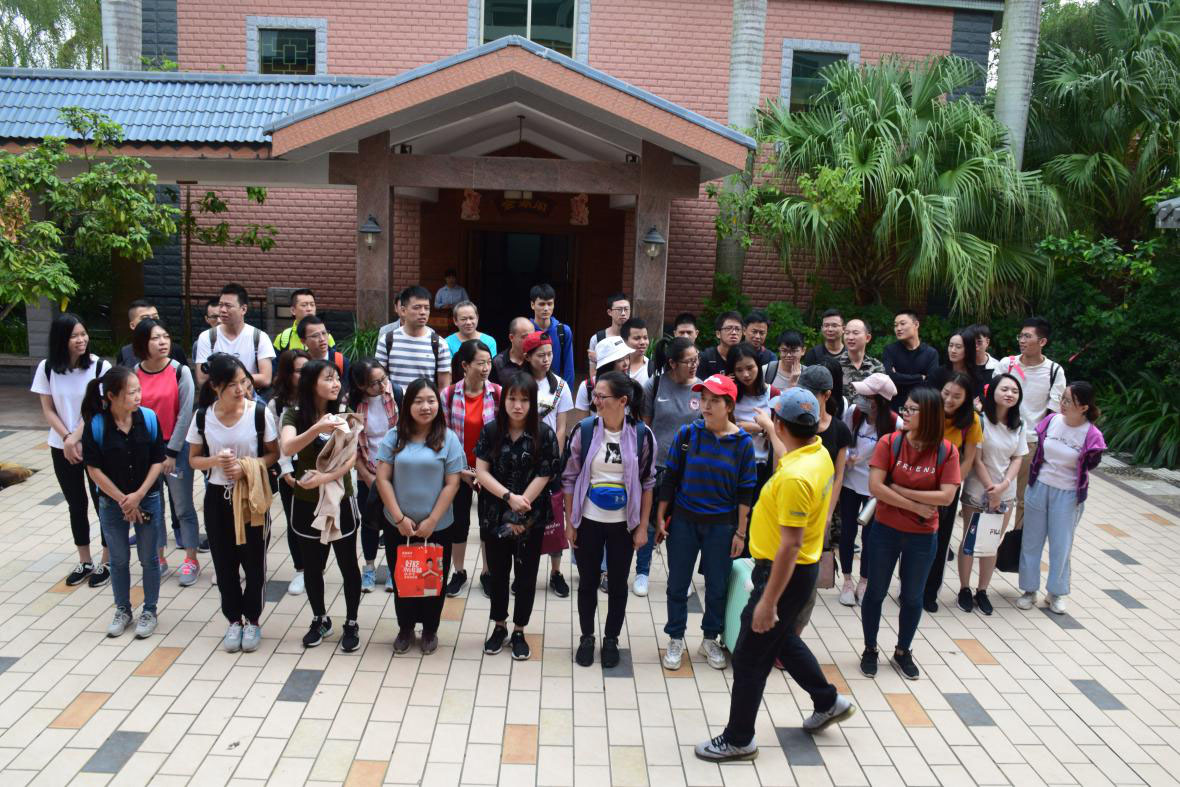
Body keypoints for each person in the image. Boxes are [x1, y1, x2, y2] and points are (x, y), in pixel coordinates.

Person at [694, 388, 855, 763]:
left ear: (783, 424)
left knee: (749, 658)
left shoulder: (796, 479)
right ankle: (827, 701)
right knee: (780, 640)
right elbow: (788, 457)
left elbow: (790, 546)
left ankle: (739, 739)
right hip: (798, 573)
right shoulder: (816, 453)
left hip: (783, 575)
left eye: (774, 419)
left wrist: (768, 602)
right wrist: (770, 428)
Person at [860, 386, 960, 681]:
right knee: (875, 593)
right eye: (905, 407)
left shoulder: (947, 451)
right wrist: (915, 505)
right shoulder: (890, 442)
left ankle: (903, 651)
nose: (904, 413)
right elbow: (876, 487)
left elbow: (946, 497)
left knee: (913, 597)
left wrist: (898, 489)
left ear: (929, 415)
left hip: (923, 536)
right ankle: (870, 648)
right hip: (885, 530)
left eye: (912, 409)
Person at [657, 374, 755, 671]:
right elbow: (671, 477)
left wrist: (741, 532)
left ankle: (710, 638)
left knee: (717, 586)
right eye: (703, 399)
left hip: (722, 527)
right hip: (684, 522)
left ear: (729, 405)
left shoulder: (743, 443)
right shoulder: (688, 434)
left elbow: (746, 491)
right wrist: (660, 516)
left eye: (714, 401)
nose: (706, 406)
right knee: (677, 584)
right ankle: (675, 638)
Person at [562, 372, 657, 668]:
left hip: (623, 525)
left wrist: (643, 527)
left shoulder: (641, 435)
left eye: (602, 396)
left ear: (622, 401)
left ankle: (611, 638)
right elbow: (569, 478)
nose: (596, 401)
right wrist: (570, 522)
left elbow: (648, 483)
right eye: (595, 395)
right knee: (587, 582)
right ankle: (587, 637)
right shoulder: (584, 430)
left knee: (618, 584)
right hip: (588, 520)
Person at [187, 353, 279, 654]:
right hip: (217, 497)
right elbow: (193, 459)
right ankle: (233, 620)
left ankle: (252, 619)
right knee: (224, 564)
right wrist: (215, 460)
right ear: (215, 386)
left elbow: (273, 454)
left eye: (243, 382)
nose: (241, 390)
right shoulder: (203, 417)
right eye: (232, 385)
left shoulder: (258, 413)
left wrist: (246, 467)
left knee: (254, 562)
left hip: (251, 497)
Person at [374, 378, 465, 655]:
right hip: (399, 526)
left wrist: (432, 521)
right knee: (402, 578)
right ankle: (405, 628)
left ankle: (429, 630)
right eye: (418, 401)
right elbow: (382, 479)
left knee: (433, 581)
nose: (426, 407)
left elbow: (452, 483)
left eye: (431, 401)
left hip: (438, 526)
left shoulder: (448, 439)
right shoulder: (394, 437)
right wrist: (399, 519)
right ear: (407, 405)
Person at [475, 373, 562, 660]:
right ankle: (499, 626)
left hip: (530, 518)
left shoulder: (544, 434)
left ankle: (519, 630)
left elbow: (546, 473)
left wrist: (521, 503)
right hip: (495, 516)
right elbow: (481, 471)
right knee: (497, 574)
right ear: (503, 401)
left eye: (525, 400)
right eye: (512, 398)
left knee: (526, 576)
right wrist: (508, 498)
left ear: (533, 402)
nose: (518, 405)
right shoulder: (491, 431)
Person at [278, 359, 363, 653]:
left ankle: (351, 622)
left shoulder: (344, 414)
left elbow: (351, 458)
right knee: (313, 567)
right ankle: (320, 618)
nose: (336, 383)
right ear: (310, 383)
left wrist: (325, 478)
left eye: (337, 378)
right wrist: (317, 427)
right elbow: (288, 447)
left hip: (340, 500)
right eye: (328, 378)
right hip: (306, 502)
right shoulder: (293, 414)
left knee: (348, 565)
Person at [80, 366, 165, 639]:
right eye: (132, 392)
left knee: (149, 558)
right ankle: (123, 609)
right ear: (112, 396)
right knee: (118, 560)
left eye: (139, 390)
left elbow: (158, 461)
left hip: (148, 498)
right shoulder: (96, 425)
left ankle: (149, 610)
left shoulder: (148, 419)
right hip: (111, 504)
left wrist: (138, 496)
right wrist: (123, 500)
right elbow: (93, 469)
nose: (139, 396)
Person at [32, 313, 111, 587]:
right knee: (76, 504)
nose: (81, 339)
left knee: (103, 503)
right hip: (61, 447)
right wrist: (66, 438)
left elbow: (98, 408)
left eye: (83, 334)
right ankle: (85, 560)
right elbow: (47, 409)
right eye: (74, 335)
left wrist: (75, 437)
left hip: (94, 446)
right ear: (61, 339)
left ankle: (107, 560)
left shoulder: (99, 367)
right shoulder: (46, 368)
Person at [1017, 381, 1105, 615]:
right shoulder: (1051, 421)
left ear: (1084, 407)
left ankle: (1056, 593)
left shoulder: (1092, 435)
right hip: (1039, 487)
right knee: (1031, 540)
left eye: (1068, 401)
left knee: (1061, 544)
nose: (1062, 404)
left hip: (1068, 494)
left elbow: (1091, 463)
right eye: (1062, 398)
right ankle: (1028, 590)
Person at [131, 318, 199, 585]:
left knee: (183, 507)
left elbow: (185, 415)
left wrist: (170, 453)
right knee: (153, 506)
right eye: (155, 338)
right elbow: (132, 413)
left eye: (166, 337)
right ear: (142, 343)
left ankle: (191, 559)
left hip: (176, 450)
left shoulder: (180, 371)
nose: (162, 342)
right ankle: (158, 558)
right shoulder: (134, 373)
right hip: (146, 452)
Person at [635, 337, 701, 595]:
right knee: (650, 521)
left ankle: (678, 576)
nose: (694, 365)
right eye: (689, 361)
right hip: (658, 465)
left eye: (696, 360)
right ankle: (642, 572)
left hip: (689, 470)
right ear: (672, 363)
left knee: (681, 526)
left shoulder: (701, 388)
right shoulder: (654, 385)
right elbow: (645, 427)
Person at [958, 372, 1026, 615]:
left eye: (1014, 391)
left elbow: (1018, 457)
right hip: (977, 491)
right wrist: (991, 488)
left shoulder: (1019, 423)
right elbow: (975, 459)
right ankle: (964, 589)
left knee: (992, 541)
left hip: (1005, 494)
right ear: (992, 391)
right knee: (969, 541)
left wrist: (1003, 486)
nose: (1009, 394)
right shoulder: (980, 420)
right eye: (1004, 389)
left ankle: (982, 590)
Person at [441, 340, 501, 599]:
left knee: (488, 524)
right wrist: (461, 471)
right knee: (459, 523)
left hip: (489, 471)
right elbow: (443, 436)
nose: (486, 368)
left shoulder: (498, 393)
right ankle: (459, 572)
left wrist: (484, 472)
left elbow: (502, 434)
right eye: (480, 363)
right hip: (458, 471)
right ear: (465, 365)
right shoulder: (448, 395)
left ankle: (487, 572)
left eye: (489, 362)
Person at [995, 317, 1066, 530]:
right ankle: (989, 541)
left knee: (1025, 499)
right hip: (1000, 439)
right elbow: (992, 399)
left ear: (1042, 341)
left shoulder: (1054, 371)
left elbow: (1052, 414)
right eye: (1021, 336)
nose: (1022, 340)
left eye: (1027, 336)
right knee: (995, 492)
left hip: (1030, 444)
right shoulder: (1007, 364)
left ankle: (1016, 543)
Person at [837, 373, 900, 606]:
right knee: (847, 532)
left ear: (879, 401)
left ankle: (864, 581)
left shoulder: (895, 424)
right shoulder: (853, 413)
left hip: (874, 489)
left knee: (870, 536)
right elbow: (843, 441)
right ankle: (846, 581)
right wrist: (848, 457)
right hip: (849, 483)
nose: (860, 399)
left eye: (866, 396)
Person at [923, 372, 982, 612]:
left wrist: (950, 486)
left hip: (948, 489)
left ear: (966, 398)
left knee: (939, 541)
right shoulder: (928, 411)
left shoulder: (972, 421)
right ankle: (909, 588)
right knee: (915, 538)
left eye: (957, 396)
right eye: (946, 393)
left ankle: (930, 592)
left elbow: (968, 459)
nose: (949, 400)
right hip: (920, 483)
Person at [524, 330, 575, 597]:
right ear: (527, 357)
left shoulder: (561, 386)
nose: (546, 359)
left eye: (549, 354)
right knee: (524, 515)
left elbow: (562, 426)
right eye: (540, 355)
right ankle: (524, 571)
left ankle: (556, 572)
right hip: (522, 460)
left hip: (550, 459)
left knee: (554, 514)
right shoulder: (518, 384)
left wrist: (554, 458)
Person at [348, 358, 400, 593]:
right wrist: (367, 476)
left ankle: (391, 569)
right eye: (374, 383)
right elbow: (350, 446)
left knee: (393, 522)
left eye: (383, 379)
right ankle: (368, 568)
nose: (381, 386)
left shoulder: (396, 394)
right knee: (369, 523)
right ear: (361, 385)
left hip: (395, 472)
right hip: (367, 472)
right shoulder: (353, 404)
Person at [268, 349, 311, 595]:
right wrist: (285, 472)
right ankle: (301, 569)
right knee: (295, 520)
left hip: (317, 465)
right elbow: (276, 443)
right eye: (299, 371)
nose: (305, 375)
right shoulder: (277, 404)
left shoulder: (319, 397)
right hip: (290, 467)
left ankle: (316, 566)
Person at [194, 283, 276, 392]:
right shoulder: (207, 337)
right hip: (217, 400)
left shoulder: (259, 337)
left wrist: (228, 380)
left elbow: (265, 378)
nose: (223, 310)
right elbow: (202, 380)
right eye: (221, 305)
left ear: (243, 309)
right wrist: (240, 380)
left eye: (228, 306)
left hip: (249, 399)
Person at [728, 343, 780, 499]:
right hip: (733, 465)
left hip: (763, 466)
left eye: (750, 368)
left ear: (758, 365)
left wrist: (759, 428)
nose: (745, 374)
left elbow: (780, 434)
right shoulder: (730, 395)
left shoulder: (773, 394)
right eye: (739, 370)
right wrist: (725, 390)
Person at [377, 285, 452, 389]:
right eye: (417, 307)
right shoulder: (387, 340)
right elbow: (379, 379)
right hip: (395, 399)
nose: (423, 312)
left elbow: (444, 388)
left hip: (426, 399)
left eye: (427, 308)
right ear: (403, 311)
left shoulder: (439, 344)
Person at [881, 310, 938, 412]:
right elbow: (890, 378)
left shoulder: (930, 353)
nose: (898, 328)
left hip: (920, 409)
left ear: (916, 324)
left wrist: (899, 377)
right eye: (895, 325)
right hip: (894, 409)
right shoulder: (890, 350)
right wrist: (920, 377)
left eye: (902, 324)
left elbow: (931, 384)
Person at [572, 335, 632, 421]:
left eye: (627, 358)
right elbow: (583, 424)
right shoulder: (587, 387)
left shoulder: (632, 385)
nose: (626, 364)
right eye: (620, 360)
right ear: (607, 365)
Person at [116, 300, 188, 367]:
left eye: (155, 317)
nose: (152, 321)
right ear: (132, 325)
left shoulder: (174, 350)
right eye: (145, 318)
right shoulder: (125, 352)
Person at [529, 283, 575, 386]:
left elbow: (569, 367)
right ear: (532, 305)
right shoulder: (525, 330)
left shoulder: (563, 331)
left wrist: (564, 392)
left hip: (555, 386)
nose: (546, 308)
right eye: (541, 304)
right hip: (529, 386)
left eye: (549, 304)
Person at [274, 289, 335, 354]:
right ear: (293, 310)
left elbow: (333, 359)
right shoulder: (282, 338)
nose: (309, 309)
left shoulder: (326, 337)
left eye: (312, 305)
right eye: (304, 305)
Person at [929, 330, 985, 401]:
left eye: (958, 347)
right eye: (950, 345)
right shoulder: (937, 374)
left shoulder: (976, 376)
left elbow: (979, 400)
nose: (953, 350)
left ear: (968, 349)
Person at [839, 318, 885, 402]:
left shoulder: (877, 367)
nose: (850, 337)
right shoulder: (835, 364)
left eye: (855, 333)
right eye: (847, 333)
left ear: (867, 338)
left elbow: (881, 400)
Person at [297, 315, 348, 379]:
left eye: (324, 333)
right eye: (315, 335)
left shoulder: (340, 361)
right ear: (303, 341)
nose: (322, 339)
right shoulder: (301, 363)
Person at [587, 292, 630, 364]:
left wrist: (600, 358)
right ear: (609, 312)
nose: (623, 313)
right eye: (619, 309)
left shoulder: (635, 338)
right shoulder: (598, 338)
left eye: (626, 309)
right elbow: (593, 370)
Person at [698, 311, 743, 379]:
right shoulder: (706, 358)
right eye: (728, 328)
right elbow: (699, 383)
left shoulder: (746, 357)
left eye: (737, 329)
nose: (734, 332)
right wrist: (722, 381)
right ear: (718, 334)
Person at [490, 317, 532, 386]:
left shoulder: (536, 358)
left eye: (531, 336)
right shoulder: (498, 362)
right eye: (524, 337)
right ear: (511, 337)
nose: (529, 340)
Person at [621, 317, 651, 385]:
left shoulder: (653, 370)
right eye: (637, 338)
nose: (642, 342)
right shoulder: (616, 367)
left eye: (645, 338)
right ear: (624, 341)